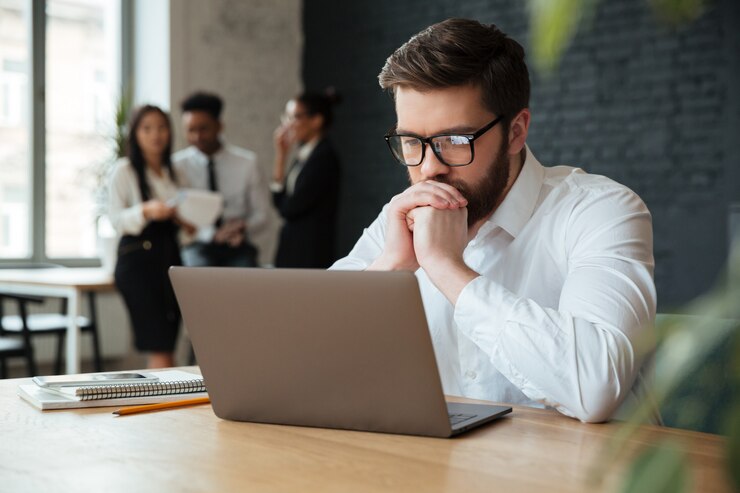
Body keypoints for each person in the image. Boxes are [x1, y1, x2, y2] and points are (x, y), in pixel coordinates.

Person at [331, 18, 657, 422]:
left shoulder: (601, 210)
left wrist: (446, 268)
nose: (429, 168)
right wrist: (391, 268)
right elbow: (307, 359)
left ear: (516, 132)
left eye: (454, 140)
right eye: (412, 142)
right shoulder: (399, 220)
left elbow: (595, 387)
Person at [109, 105, 189, 369]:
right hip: (138, 264)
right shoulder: (124, 170)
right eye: (147, 128)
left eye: (162, 127)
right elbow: (116, 220)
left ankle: (160, 403)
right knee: (159, 346)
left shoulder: (174, 172)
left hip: (170, 261)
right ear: (135, 133)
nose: (156, 134)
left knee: (168, 343)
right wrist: (146, 210)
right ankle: (162, 407)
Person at [173, 92, 270, 267]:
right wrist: (210, 234)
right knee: (195, 279)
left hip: (238, 244)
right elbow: (177, 216)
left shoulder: (247, 163)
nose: (197, 137)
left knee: (245, 282)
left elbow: (262, 215)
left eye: (203, 128)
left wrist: (242, 228)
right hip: (198, 245)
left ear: (219, 126)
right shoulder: (177, 166)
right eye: (190, 130)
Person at [271, 90, 341, 268]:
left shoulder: (323, 157)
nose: (287, 125)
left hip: (310, 252)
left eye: (293, 117)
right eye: (286, 117)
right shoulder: (305, 155)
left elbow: (289, 207)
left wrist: (281, 156)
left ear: (316, 120)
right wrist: (281, 155)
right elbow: (279, 201)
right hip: (294, 248)